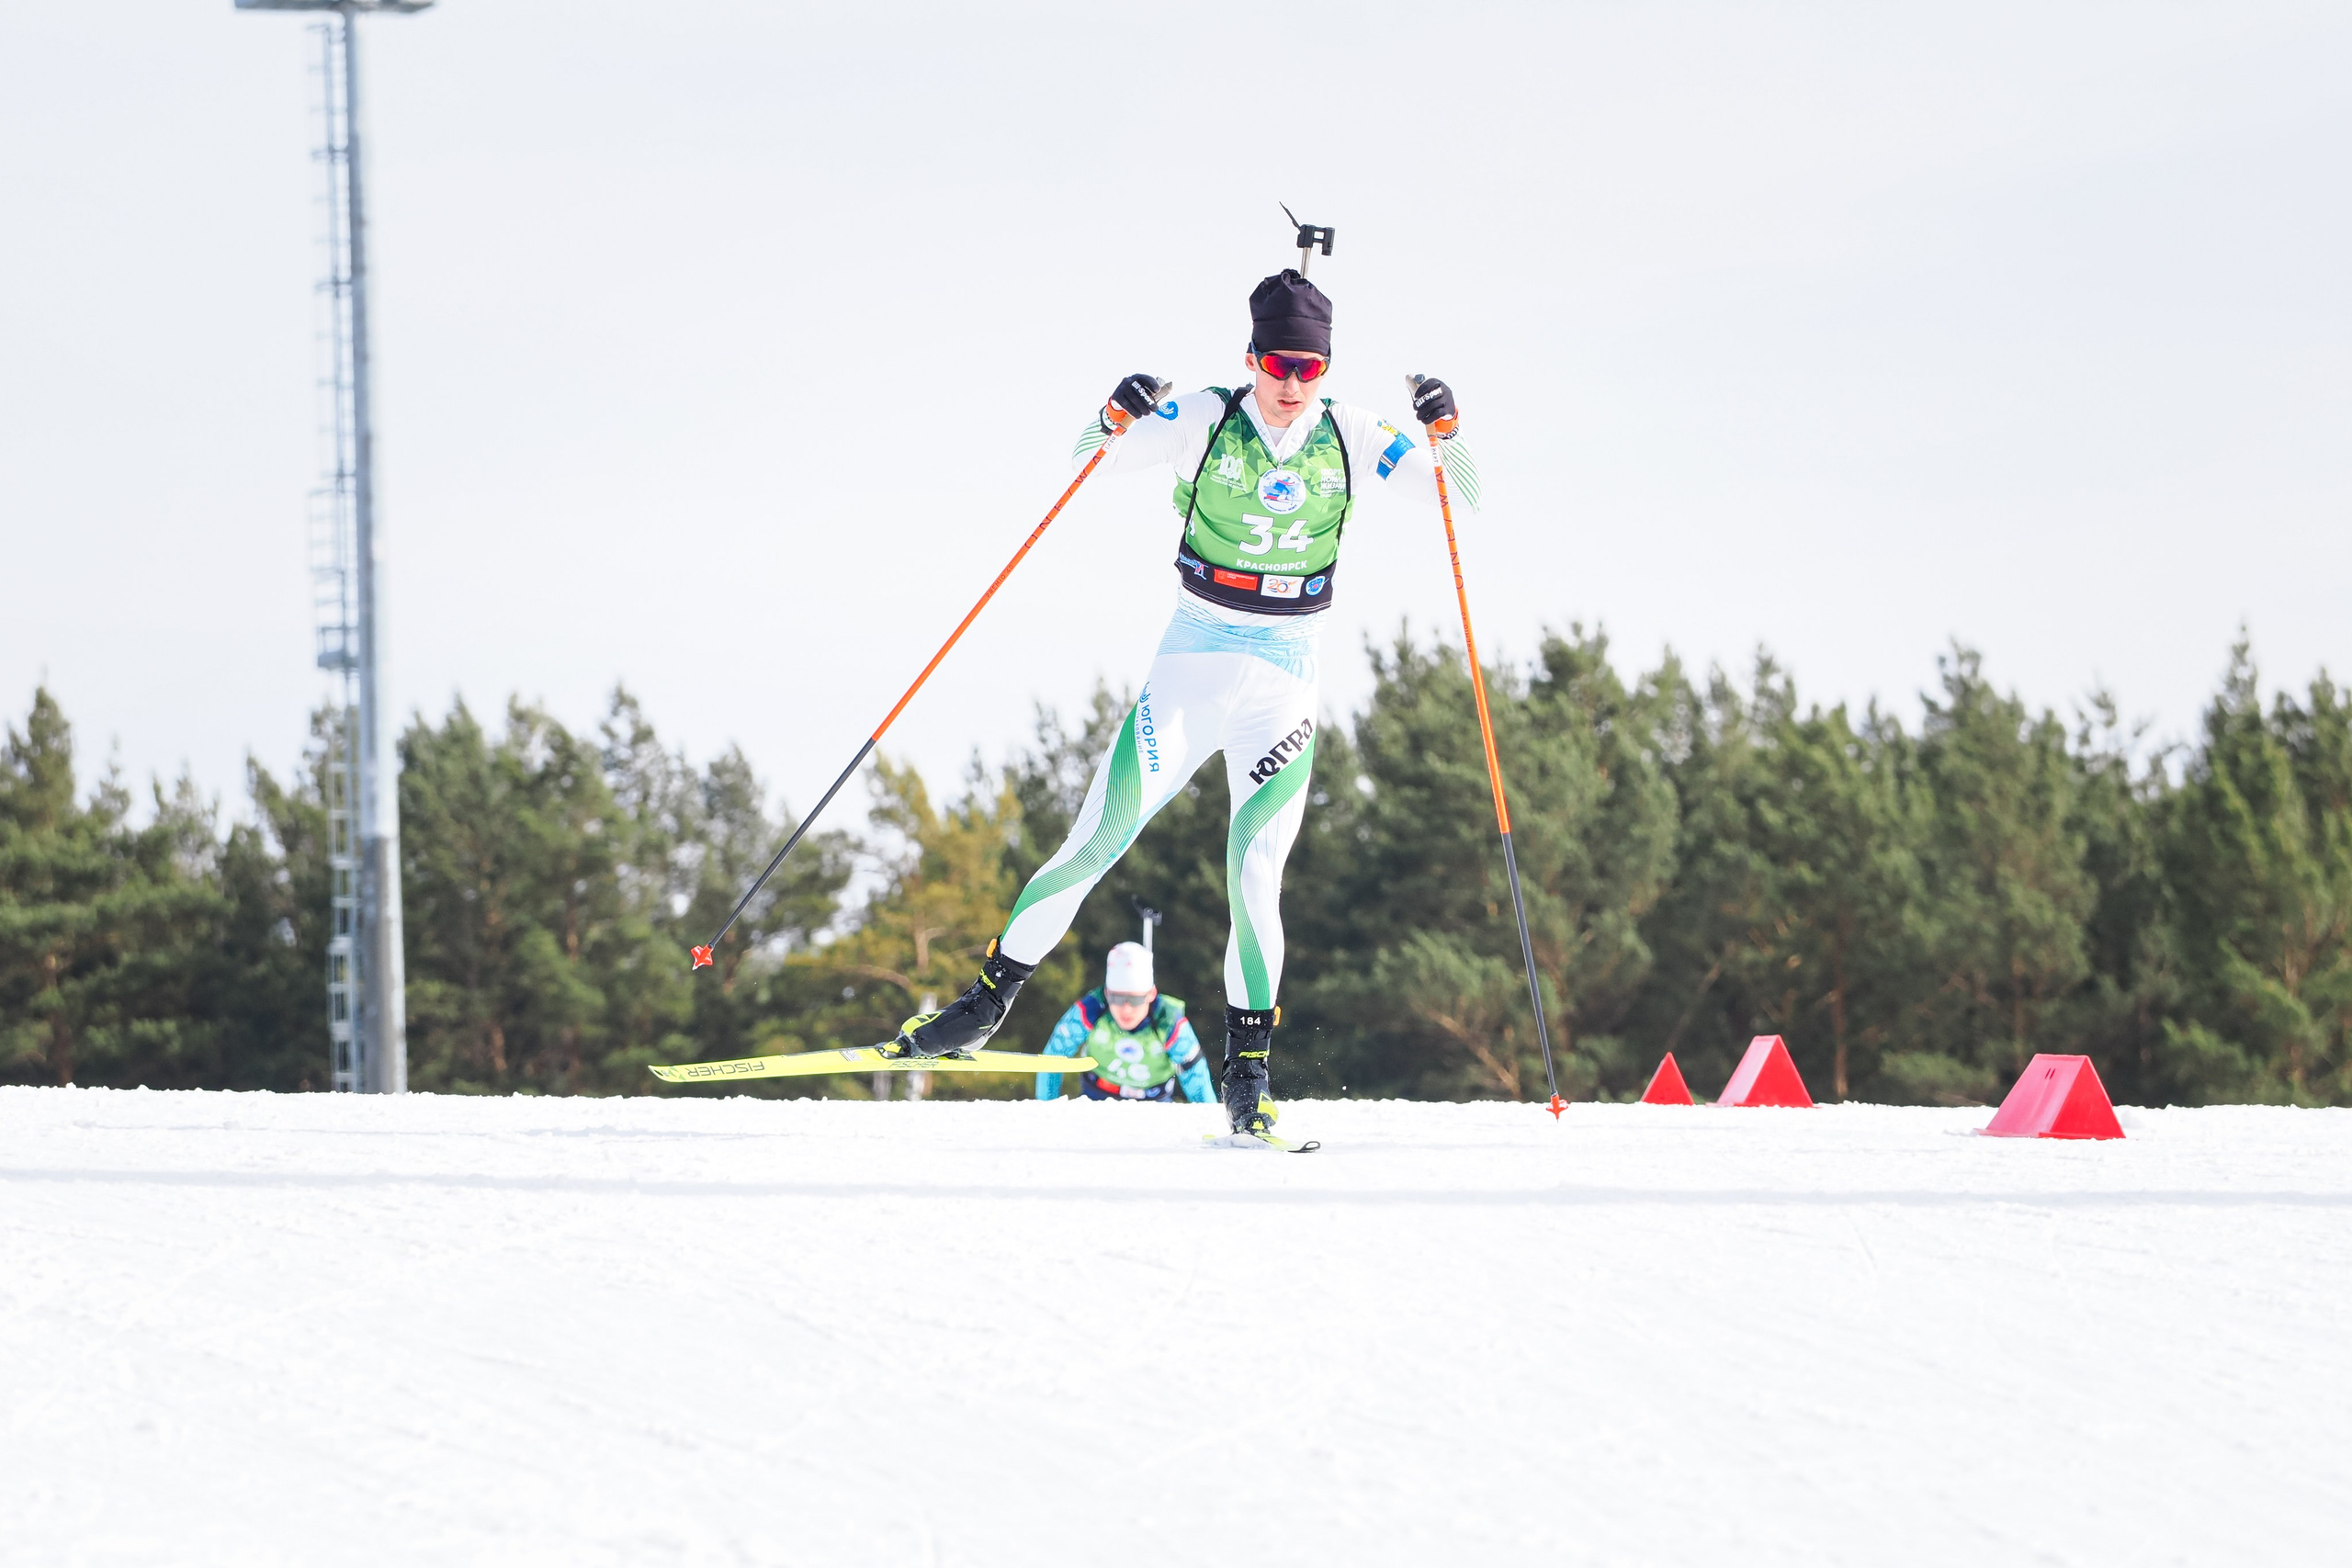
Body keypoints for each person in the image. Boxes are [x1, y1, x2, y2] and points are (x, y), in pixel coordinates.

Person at [890, 266, 1479, 1138]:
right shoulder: (1207, 415)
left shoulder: (1354, 432)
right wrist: (1113, 412)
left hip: (1285, 678)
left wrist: (1448, 434)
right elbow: (1090, 462)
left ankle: (1248, 1077)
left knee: (1255, 878)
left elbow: (1455, 498)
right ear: (1250, 359)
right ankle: (986, 1000)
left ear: (1326, 370)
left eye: (1308, 369)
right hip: (1197, 658)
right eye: (1277, 364)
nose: (1289, 384)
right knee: (1100, 832)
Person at [1036, 941, 1214, 1103]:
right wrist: (1046, 1107)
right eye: (1117, 998)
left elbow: (1196, 1078)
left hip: (1154, 1105)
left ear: (1150, 995)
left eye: (1135, 1000)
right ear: (1107, 993)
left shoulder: (1168, 1021)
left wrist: (1210, 1124)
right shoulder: (1090, 1010)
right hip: (1096, 1099)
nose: (1126, 1009)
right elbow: (1054, 1056)